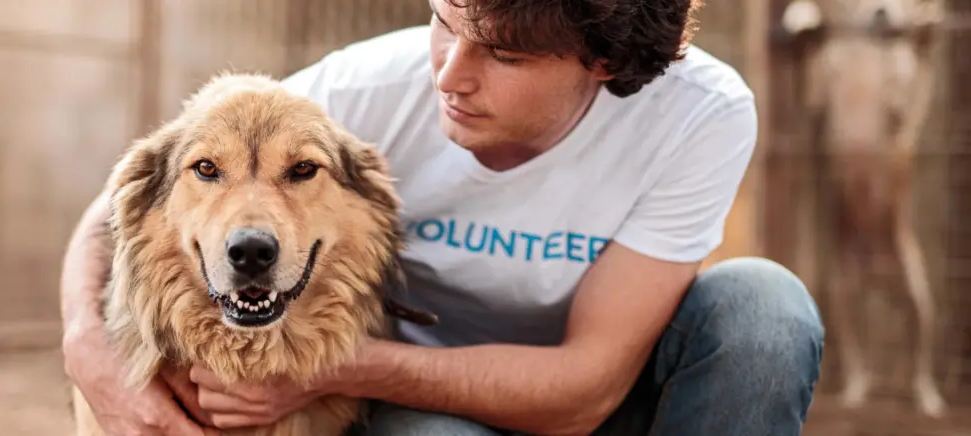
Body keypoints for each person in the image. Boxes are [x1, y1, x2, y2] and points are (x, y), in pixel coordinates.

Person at [60, 0, 826, 434]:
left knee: (765, 309)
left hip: (605, 407)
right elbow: (120, 203)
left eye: (504, 56)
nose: (449, 76)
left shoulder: (698, 114)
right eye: (443, 19)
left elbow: (584, 388)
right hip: (430, 416)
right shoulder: (365, 87)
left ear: (604, 64)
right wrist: (87, 350)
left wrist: (326, 368)